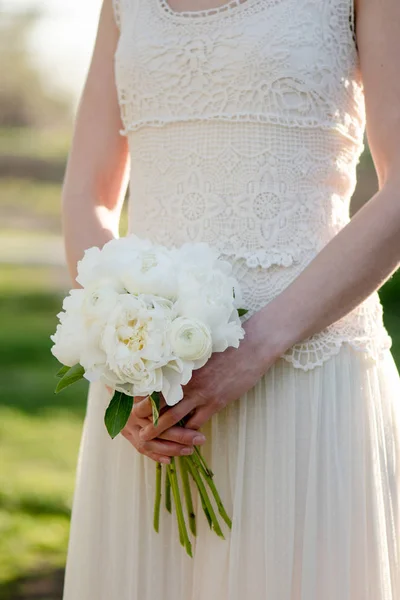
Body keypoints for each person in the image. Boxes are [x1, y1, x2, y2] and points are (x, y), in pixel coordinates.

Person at [61, 0, 400, 598]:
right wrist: (122, 356)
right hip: (151, 402)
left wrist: (255, 349)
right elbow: (87, 192)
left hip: (306, 377)